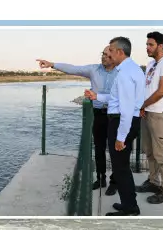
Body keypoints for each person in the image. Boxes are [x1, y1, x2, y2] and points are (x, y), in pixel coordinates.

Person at [37, 47, 118, 195]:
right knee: (99, 148)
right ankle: (101, 179)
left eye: (107, 55)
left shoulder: (121, 72)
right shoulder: (94, 69)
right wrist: (52, 64)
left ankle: (115, 181)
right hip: (98, 114)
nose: (104, 57)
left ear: (115, 56)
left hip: (115, 115)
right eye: (103, 54)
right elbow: (73, 69)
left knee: (114, 149)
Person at [85, 37, 145, 216]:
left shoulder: (125, 74)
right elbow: (118, 99)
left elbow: (126, 108)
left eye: (110, 50)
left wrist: (120, 137)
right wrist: (98, 97)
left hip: (121, 122)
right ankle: (129, 202)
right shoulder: (131, 69)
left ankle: (130, 208)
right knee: (122, 166)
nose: (108, 54)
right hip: (125, 120)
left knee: (120, 168)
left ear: (120, 52)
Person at [137, 31, 163, 204]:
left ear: (160, 46)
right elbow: (147, 87)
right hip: (146, 112)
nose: (147, 47)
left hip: (158, 114)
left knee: (162, 155)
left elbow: (161, 91)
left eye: (150, 44)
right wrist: (143, 106)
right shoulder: (151, 63)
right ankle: (153, 182)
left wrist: (143, 105)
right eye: (147, 44)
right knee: (150, 152)